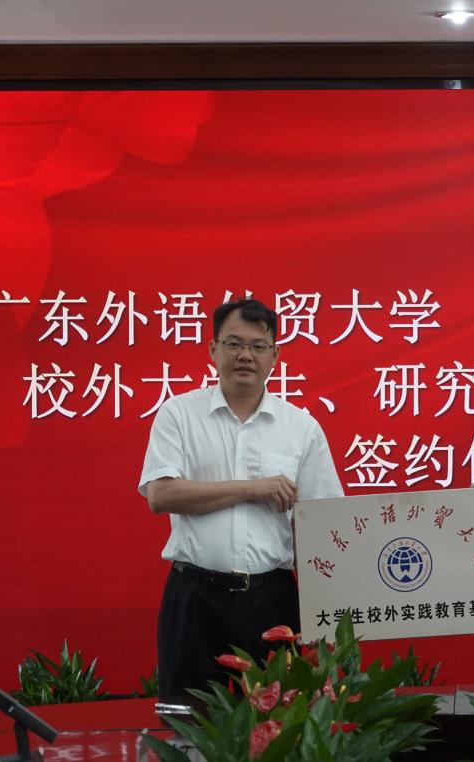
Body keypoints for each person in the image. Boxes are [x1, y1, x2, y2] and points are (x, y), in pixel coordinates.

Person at [139, 298, 344, 698]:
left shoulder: (301, 428)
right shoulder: (178, 414)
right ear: (213, 350)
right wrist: (252, 488)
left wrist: (326, 611)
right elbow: (161, 495)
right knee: (191, 721)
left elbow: (322, 524)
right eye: (233, 344)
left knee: (278, 722)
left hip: (272, 601)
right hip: (195, 598)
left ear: (275, 356)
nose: (245, 355)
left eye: (258, 346)